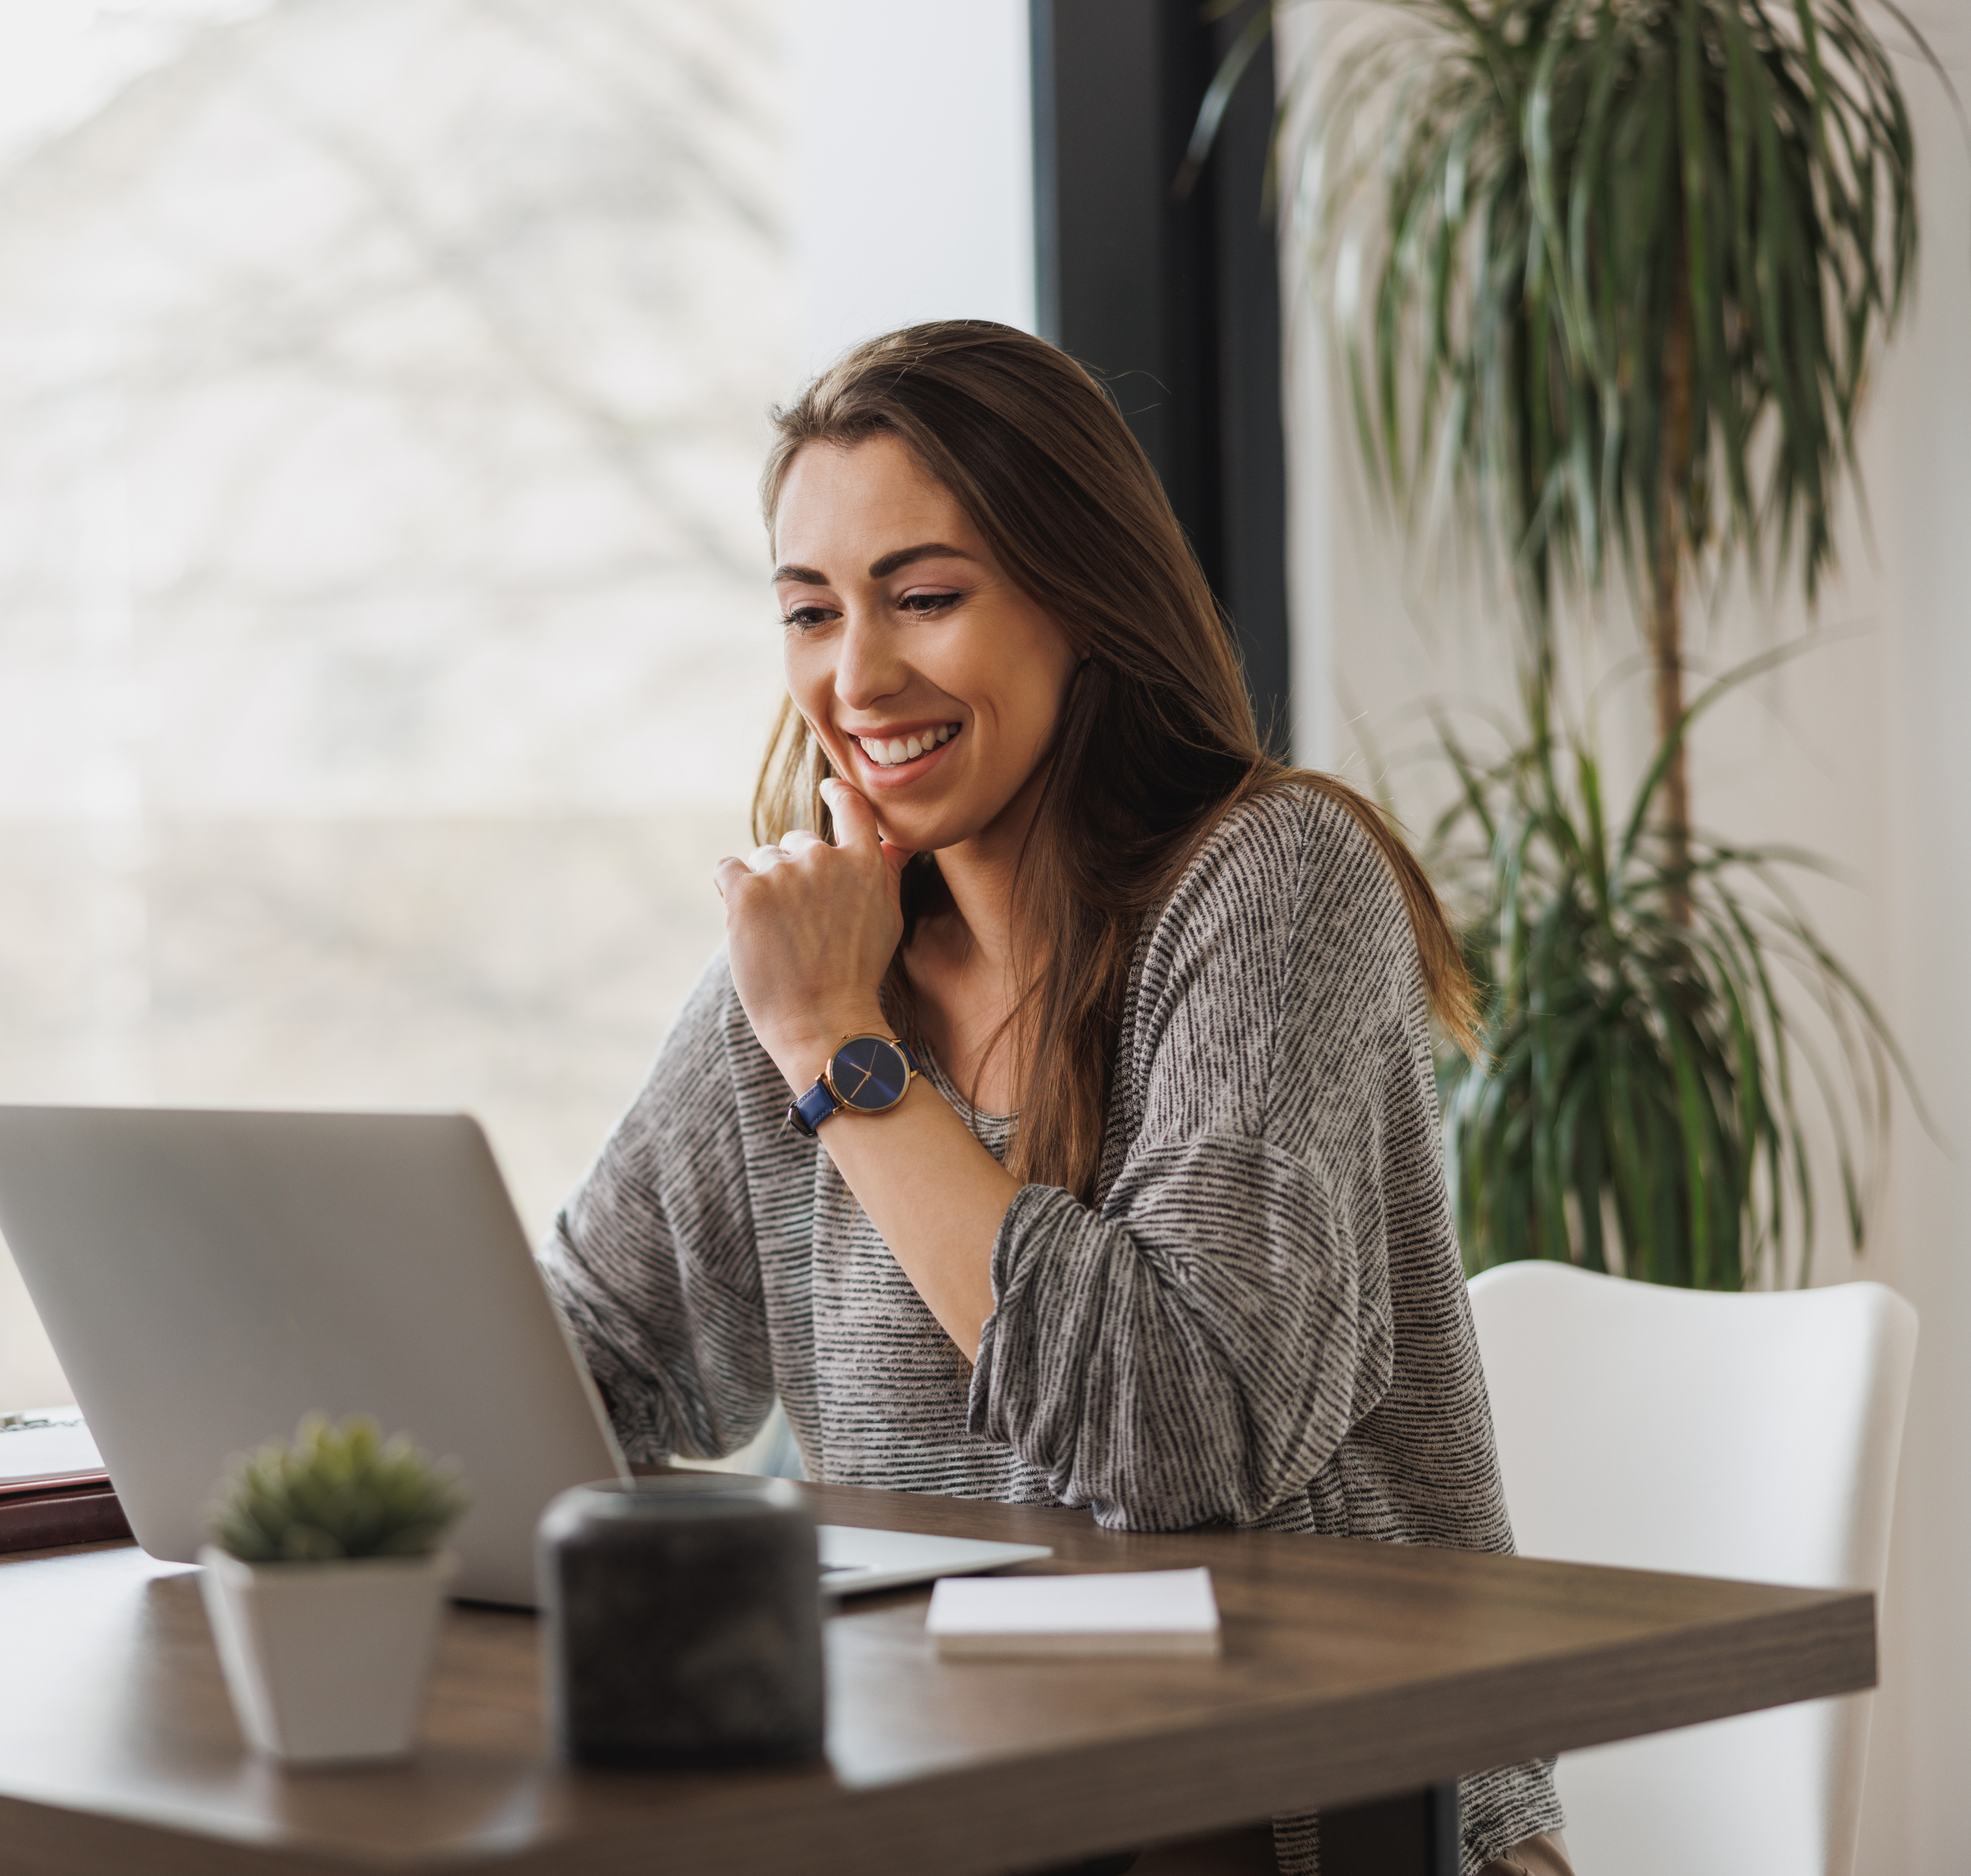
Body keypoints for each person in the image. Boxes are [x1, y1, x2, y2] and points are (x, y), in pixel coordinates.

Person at [540, 322, 1569, 1876]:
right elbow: (592, 1363)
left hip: (1309, 1830)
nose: (857, 675)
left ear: (1083, 602)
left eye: (926, 597)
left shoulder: (1271, 882)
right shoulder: (821, 957)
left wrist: (834, 1048)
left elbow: (1180, 1435)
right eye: (808, 613)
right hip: (965, 1817)